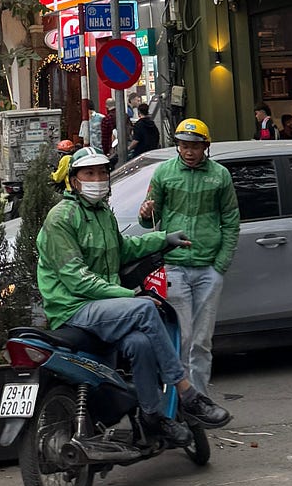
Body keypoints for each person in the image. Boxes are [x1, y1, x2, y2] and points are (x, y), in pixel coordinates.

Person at [37, 148, 230, 444]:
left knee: (140, 344)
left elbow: (123, 249)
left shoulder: (103, 213)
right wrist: (128, 296)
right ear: (74, 180)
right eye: (89, 173)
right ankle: (187, 393)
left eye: (102, 173)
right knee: (144, 309)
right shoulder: (61, 218)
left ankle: (151, 417)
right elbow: (77, 279)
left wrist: (163, 239)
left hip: (103, 306)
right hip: (73, 308)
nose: (97, 179)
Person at [136, 118, 238, 401]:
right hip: (174, 267)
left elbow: (231, 221)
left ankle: (200, 401)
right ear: (178, 146)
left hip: (208, 268)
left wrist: (220, 265)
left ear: (205, 146)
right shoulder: (164, 173)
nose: (189, 151)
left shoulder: (220, 176)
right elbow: (148, 220)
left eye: (194, 146)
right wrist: (145, 213)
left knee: (202, 341)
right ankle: (179, 402)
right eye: (183, 145)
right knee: (181, 338)